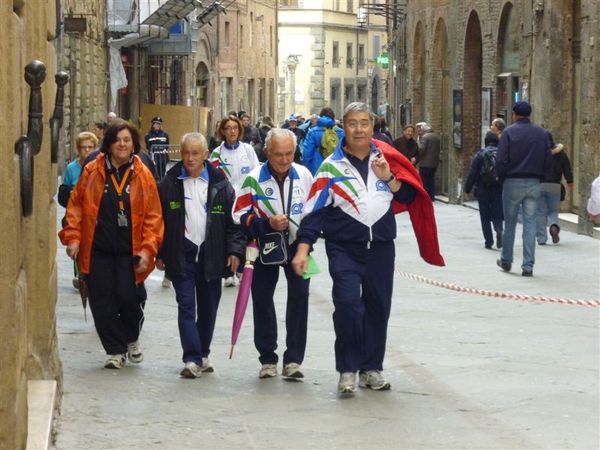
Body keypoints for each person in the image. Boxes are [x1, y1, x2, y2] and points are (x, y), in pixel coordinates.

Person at [292, 102, 444, 395]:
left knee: (378, 308)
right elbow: (313, 214)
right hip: (344, 249)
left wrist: (388, 177)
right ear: (343, 128)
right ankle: (347, 369)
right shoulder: (330, 168)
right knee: (348, 304)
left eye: (364, 123)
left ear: (372, 128)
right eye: (352, 123)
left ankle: (371, 368)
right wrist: (303, 249)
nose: (359, 129)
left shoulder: (387, 160)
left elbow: (412, 195)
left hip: (382, 249)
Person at [59, 121, 164, 369]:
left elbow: (153, 216)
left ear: (134, 144)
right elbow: (75, 206)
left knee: (129, 298)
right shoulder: (92, 171)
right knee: (101, 301)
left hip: (131, 250)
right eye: (117, 139)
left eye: (127, 140)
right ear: (108, 143)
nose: (122, 144)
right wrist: (73, 237)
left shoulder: (143, 174)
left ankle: (131, 338)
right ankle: (115, 350)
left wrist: (148, 248)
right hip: (98, 250)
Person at [156, 133, 245, 378]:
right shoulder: (169, 183)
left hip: (211, 254)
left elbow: (234, 222)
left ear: (206, 155)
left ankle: (203, 352)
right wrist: (160, 252)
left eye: (196, 153)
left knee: (208, 309)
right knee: (186, 307)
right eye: (186, 153)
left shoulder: (221, 184)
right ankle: (192, 358)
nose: (190, 158)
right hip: (181, 254)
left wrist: (234, 251)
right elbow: (159, 221)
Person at [232, 128, 314, 380]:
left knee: (300, 299)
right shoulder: (253, 178)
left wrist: (307, 242)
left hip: (299, 246)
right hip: (265, 246)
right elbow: (238, 216)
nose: (284, 159)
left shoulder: (305, 174)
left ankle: (294, 360)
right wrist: (266, 223)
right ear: (267, 152)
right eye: (278, 154)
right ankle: (267, 358)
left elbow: (314, 213)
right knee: (262, 299)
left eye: (289, 153)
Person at [495, 101, 552, 277]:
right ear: (529, 115)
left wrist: (502, 176)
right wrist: (541, 176)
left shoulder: (508, 133)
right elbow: (547, 159)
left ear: (514, 115)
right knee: (530, 224)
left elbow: (501, 159)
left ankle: (506, 259)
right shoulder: (541, 133)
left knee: (510, 223)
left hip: (512, 181)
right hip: (534, 182)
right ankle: (528, 265)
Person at [210, 115, 260, 287]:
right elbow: (214, 179)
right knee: (228, 235)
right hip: (226, 202)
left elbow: (256, 174)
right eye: (228, 128)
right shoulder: (217, 153)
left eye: (235, 128)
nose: (232, 131)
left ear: (239, 130)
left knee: (245, 234)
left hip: (246, 201)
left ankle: (241, 269)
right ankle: (229, 272)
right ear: (222, 131)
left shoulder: (247, 150)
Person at [58, 131, 99, 288]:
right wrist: (70, 194)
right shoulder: (71, 168)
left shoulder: (98, 167)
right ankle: (80, 273)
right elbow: (64, 191)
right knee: (77, 243)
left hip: (93, 214)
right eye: (83, 147)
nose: (87, 151)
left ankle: (90, 272)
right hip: (77, 214)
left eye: (90, 147)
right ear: (78, 149)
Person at [464, 131, 504, 249]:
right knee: (498, 211)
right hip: (498, 187)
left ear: (485, 142)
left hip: (483, 188)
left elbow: (472, 173)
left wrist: (467, 189)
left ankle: (489, 241)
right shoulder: (501, 153)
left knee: (484, 215)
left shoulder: (480, 154)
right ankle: (499, 229)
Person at [536, 137, 573, 245]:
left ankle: (542, 238)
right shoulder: (561, 154)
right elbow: (567, 167)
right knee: (553, 210)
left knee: (541, 212)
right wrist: (570, 180)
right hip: (554, 185)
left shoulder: (538, 154)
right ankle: (553, 226)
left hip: (540, 184)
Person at [301, 107, 345, 175]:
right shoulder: (341, 132)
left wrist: (306, 167)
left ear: (320, 117)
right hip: (336, 168)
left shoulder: (313, 131)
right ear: (333, 117)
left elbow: (307, 153)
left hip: (317, 168)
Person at [416, 123, 441, 201]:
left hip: (425, 163)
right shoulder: (436, 136)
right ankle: (431, 196)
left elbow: (421, 149)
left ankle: (425, 197)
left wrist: (417, 154)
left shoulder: (425, 137)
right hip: (434, 163)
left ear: (424, 130)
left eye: (421, 129)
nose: (420, 131)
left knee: (424, 181)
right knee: (431, 180)